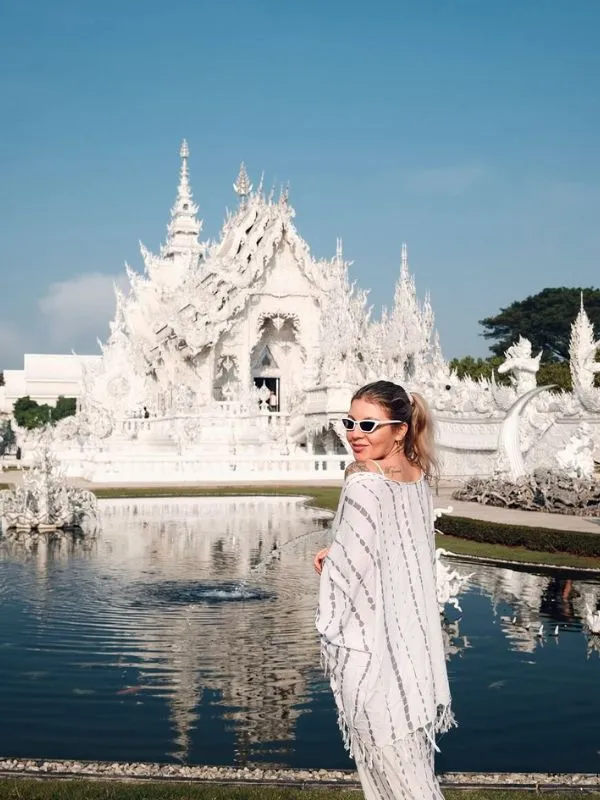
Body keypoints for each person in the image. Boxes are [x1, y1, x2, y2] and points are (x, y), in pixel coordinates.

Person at [314, 380, 454, 800]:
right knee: (410, 772)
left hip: (373, 655)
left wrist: (330, 562)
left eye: (368, 425)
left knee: (396, 780)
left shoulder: (364, 482)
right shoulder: (418, 476)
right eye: (350, 423)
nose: (355, 434)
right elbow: (397, 548)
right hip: (412, 653)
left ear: (400, 430)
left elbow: (348, 570)